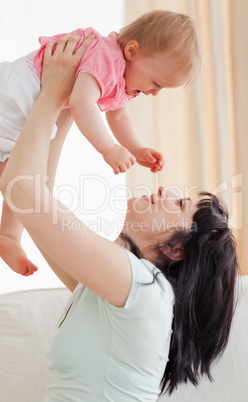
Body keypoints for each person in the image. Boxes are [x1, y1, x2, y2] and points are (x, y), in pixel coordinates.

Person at [0, 36, 238, 401]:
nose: (164, 192)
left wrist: (51, 94)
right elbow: (37, 197)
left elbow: (25, 194)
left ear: (175, 249)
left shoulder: (143, 288)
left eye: (177, 205)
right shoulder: (121, 288)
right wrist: (65, 104)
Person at [0, 10, 201, 276]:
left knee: (23, 179)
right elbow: (82, 103)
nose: (153, 93)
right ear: (131, 51)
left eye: (160, 89)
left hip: (29, 114)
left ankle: (9, 237)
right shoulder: (106, 58)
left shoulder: (122, 79)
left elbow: (119, 115)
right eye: (155, 83)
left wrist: (136, 148)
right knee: (26, 180)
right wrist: (108, 148)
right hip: (15, 98)